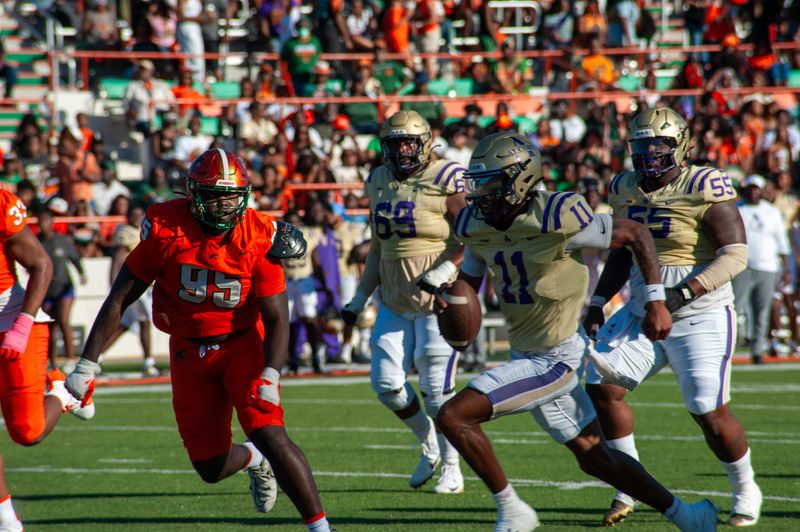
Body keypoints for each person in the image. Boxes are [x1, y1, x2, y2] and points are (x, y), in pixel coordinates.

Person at [434, 132, 718, 532]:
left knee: (453, 415)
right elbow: (470, 284)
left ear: (519, 179)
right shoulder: (474, 222)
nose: (480, 194)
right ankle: (687, 515)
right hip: (526, 354)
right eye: (477, 183)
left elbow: (634, 234)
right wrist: (452, 301)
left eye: (490, 183)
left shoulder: (557, 213)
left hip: (558, 356)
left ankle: (513, 511)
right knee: (594, 455)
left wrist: (655, 300)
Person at [64, 149, 332, 531]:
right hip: (188, 347)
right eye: (213, 194)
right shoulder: (166, 228)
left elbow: (276, 317)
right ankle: (255, 460)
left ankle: (321, 527)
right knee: (209, 466)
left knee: (270, 431)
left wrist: (271, 374)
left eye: (230, 195)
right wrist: (88, 363)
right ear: (193, 194)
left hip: (242, 344)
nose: (223, 204)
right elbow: (121, 297)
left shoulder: (259, 236)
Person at [583, 108, 761, 527]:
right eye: (641, 145)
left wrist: (681, 295)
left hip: (701, 309)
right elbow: (622, 253)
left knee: (709, 412)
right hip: (644, 305)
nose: (648, 154)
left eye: (658, 145)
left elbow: (735, 254)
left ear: (680, 146)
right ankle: (628, 483)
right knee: (602, 386)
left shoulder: (702, 182)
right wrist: (597, 301)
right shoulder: (624, 186)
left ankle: (744, 485)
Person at [342, 110, 467, 494]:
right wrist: (360, 296)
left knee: (436, 391)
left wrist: (445, 273)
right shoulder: (379, 179)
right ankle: (429, 445)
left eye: (409, 142)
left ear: (425, 142)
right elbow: (379, 247)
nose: (402, 150)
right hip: (395, 301)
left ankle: (452, 466)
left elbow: (472, 237)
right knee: (386, 384)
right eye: (395, 143)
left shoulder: (447, 176)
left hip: (438, 303)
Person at [0, 189, 92, 532]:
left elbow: (42, 264)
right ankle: (6, 520)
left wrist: (22, 324)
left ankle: (62, 390)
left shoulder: (1, 206)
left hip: (11, 320)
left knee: (27, 431)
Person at [734, 174, 791, 363]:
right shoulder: (737, 210)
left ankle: (757, 350)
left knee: (762, 311)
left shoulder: (771, 211)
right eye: (749, 188)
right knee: (734, 309)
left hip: (767, 266)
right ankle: (728, 347)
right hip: (742, 266)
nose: (753, 191)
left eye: (756, 188)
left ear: (762, 190)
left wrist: (787, 268)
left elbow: (781, 241)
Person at [101, 205, 157, 376]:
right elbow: (117, 259)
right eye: (133, 214)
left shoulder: (143, 231)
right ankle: (148, 361)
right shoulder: (125, 233)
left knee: (123, 325)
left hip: (144, 285)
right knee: (145, 321)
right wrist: (114, 284)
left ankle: (96, 357)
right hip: (134, 284)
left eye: (139, 214)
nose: (136, 218)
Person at [37, 208, 86, 372]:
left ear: (51, 223)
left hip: (65, 287)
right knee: (50, 325)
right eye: (39, 221)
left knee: (63, 320)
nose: (41, 225)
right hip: (47, 289)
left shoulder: (63, 240)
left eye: (44, 221)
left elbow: (75, 258)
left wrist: (81, 273)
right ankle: (52, 361)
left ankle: (71, 359)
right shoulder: (37, 242)